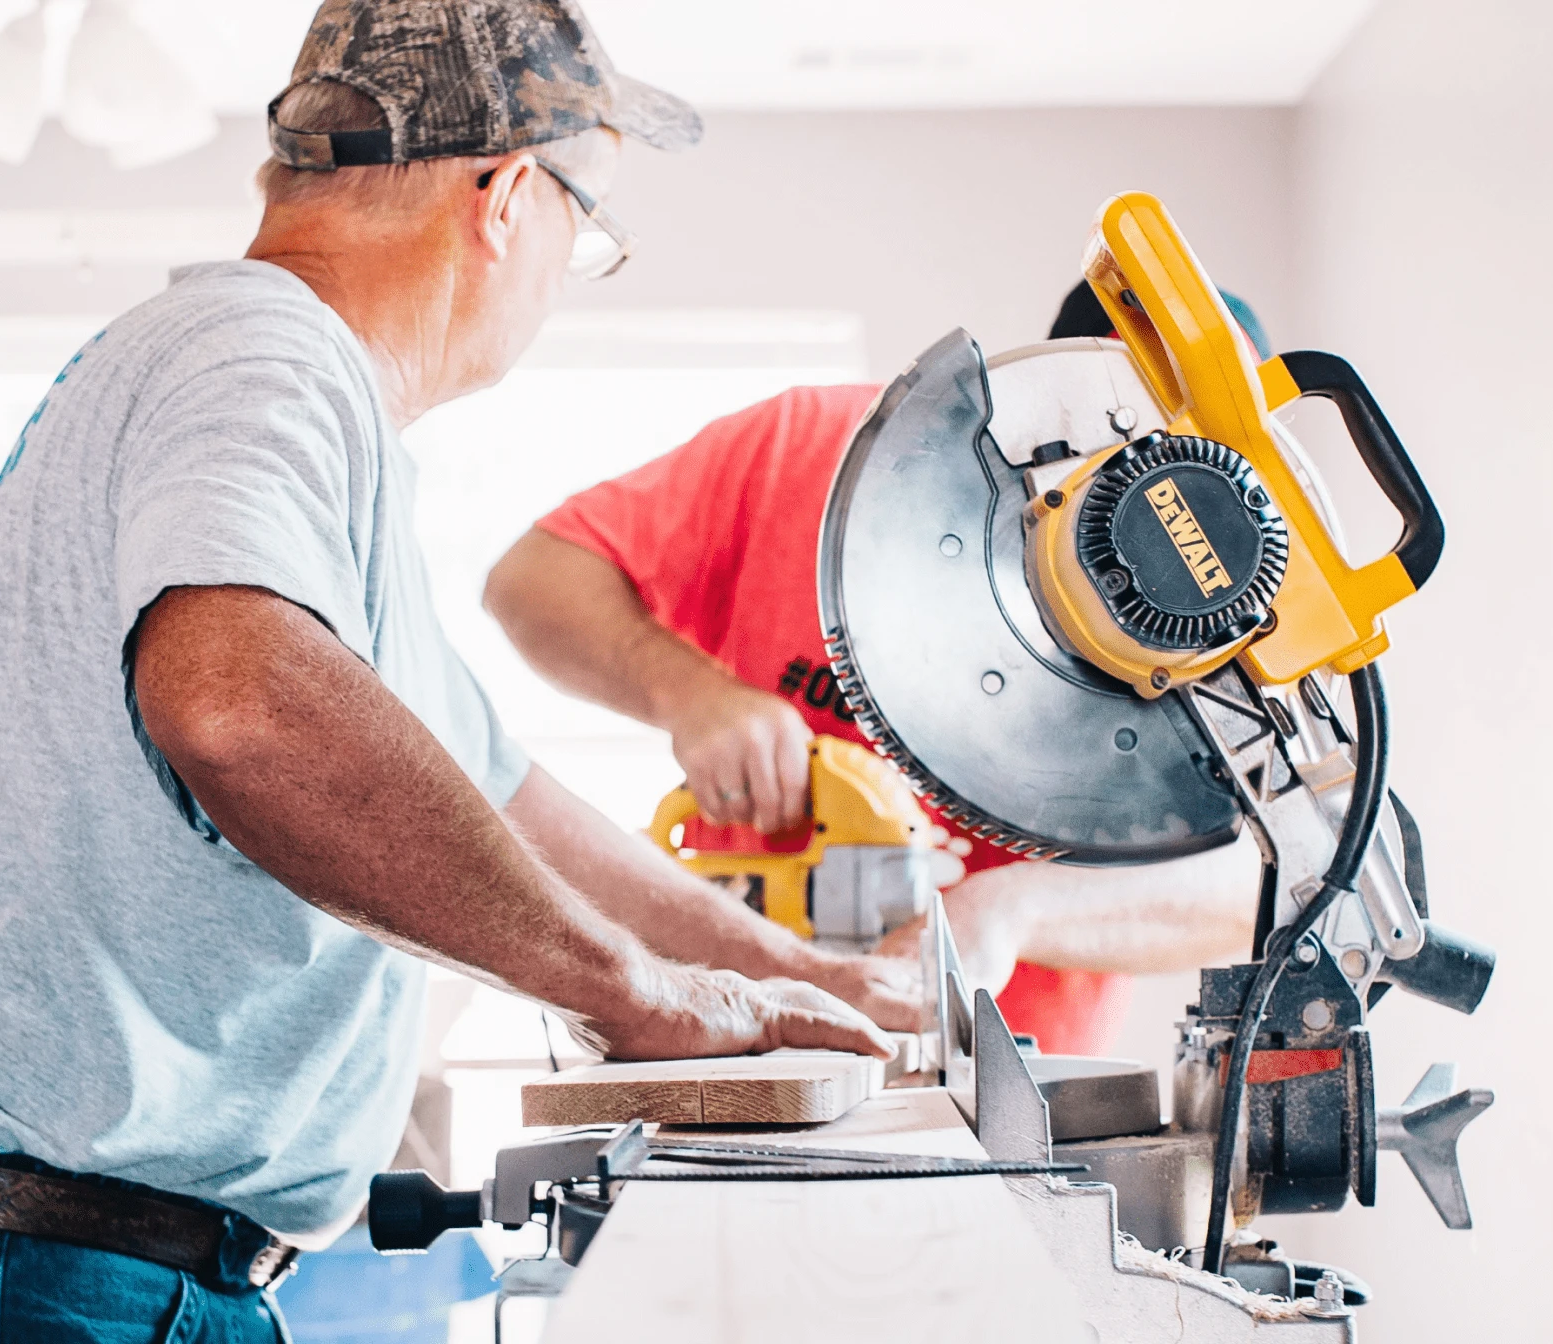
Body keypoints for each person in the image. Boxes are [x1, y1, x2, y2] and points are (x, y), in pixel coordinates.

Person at [0, 4, 921, 1340]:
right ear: (506, 196)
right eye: (586, 228)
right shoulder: (263, 356)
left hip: (59, 1253)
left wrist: (794, 977)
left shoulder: (283, 404)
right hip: (39, 1266)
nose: (568, 267)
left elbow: (512, 802)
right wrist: (627, 993)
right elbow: (241, 710)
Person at [481, 284, 1278, 1058]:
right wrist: (690, 693)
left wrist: (1014, 908)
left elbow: (1265, 884)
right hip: (734, 1035)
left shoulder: (1224, 618)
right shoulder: (808, 448)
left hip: (1009, 1088)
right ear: (1041, 382)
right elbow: (532, 579)